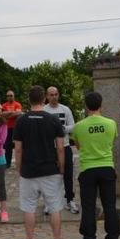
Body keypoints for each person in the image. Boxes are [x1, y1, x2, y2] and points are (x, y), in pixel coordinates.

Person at [13, 85, 69, 239]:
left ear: (29, 100)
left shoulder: (21, 121)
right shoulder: (53, 120)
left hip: (29, 170)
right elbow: (60, 147)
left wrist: (19, 166)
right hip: (50, 169)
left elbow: (18, 149)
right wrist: (62, 166)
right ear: (44, 98)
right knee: (54, 206)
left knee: (28, 207)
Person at [72, 92, 120, 239]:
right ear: (101, 105)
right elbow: (111, 142)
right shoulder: (111, 123)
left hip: (87, 169)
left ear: (86, 106)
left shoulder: (78, 126)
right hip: (107, 167)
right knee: (110, 205)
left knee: (88, 206)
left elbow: (78, 147)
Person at [43, 86, 78, 214]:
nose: (54, 97)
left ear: (59, 95)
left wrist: (62, 130)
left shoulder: (65, 109)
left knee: (68, 174)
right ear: (47, 96)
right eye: (51, 95)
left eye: (56, 94)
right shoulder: (44, 110)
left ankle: (69, 200)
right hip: (49, 148)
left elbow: (73, 126)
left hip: (65, 146)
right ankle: (48, 202)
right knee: (49, 176)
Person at [0, 91, 23, 168]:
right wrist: (13, 113)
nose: (9, 97)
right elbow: (1, 114)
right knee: (7, 147)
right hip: (7, 128)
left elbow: (19, 113)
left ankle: (20, 163)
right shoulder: (4, 105)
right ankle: (8, 163)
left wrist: (7, 114)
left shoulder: (17, 104)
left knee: (18, 146)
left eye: (11, 95)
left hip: (16, 128)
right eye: (8, 96)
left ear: (14, 96)